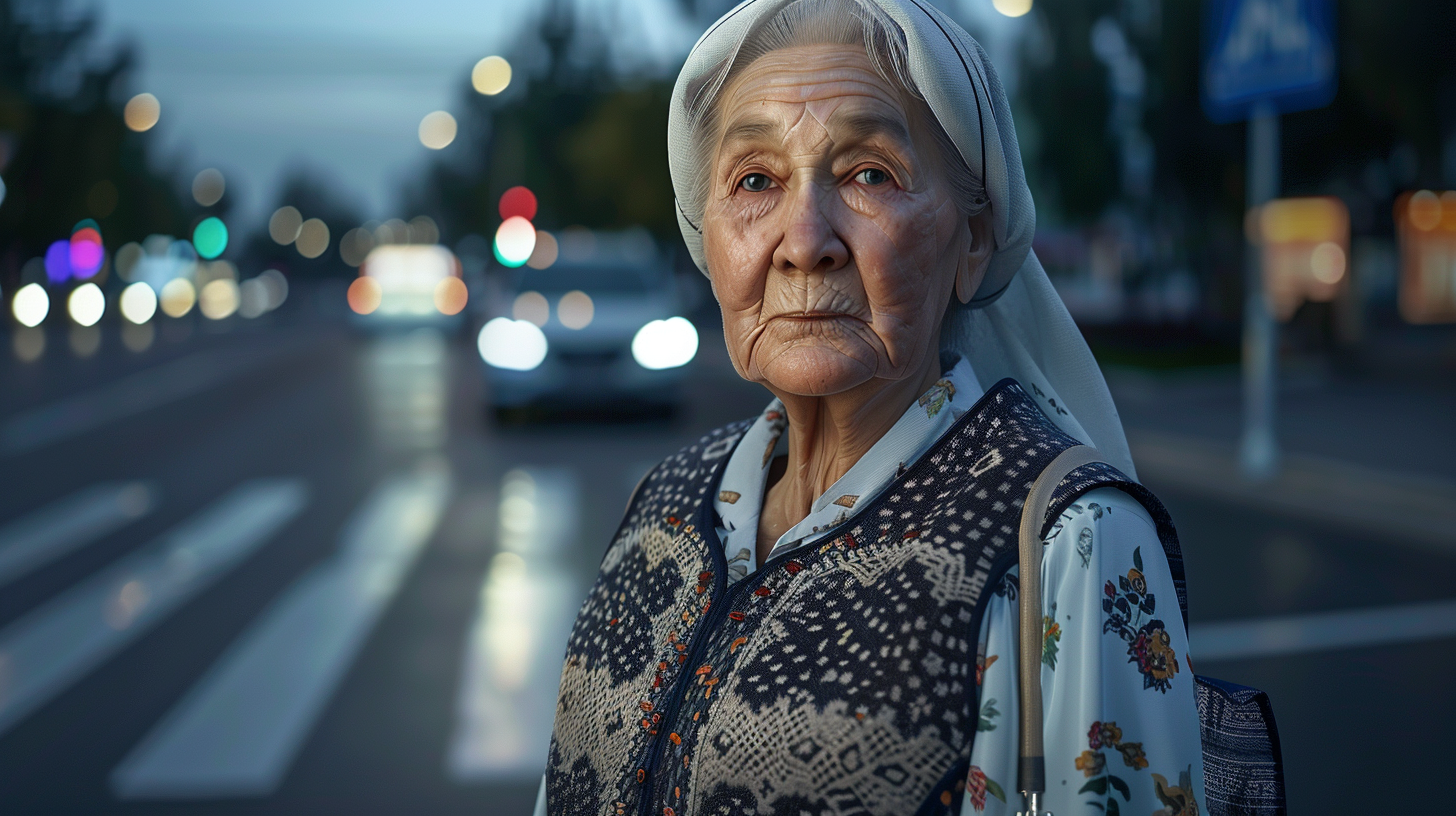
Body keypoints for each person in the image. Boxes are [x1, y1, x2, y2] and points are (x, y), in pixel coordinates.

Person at [537, 0, 1204, 813]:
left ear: (975, 241)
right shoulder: (666, 501)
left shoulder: (1071, 537)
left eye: (869, 175)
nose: (805, 238)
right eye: (755, 180)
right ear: (706, 238)